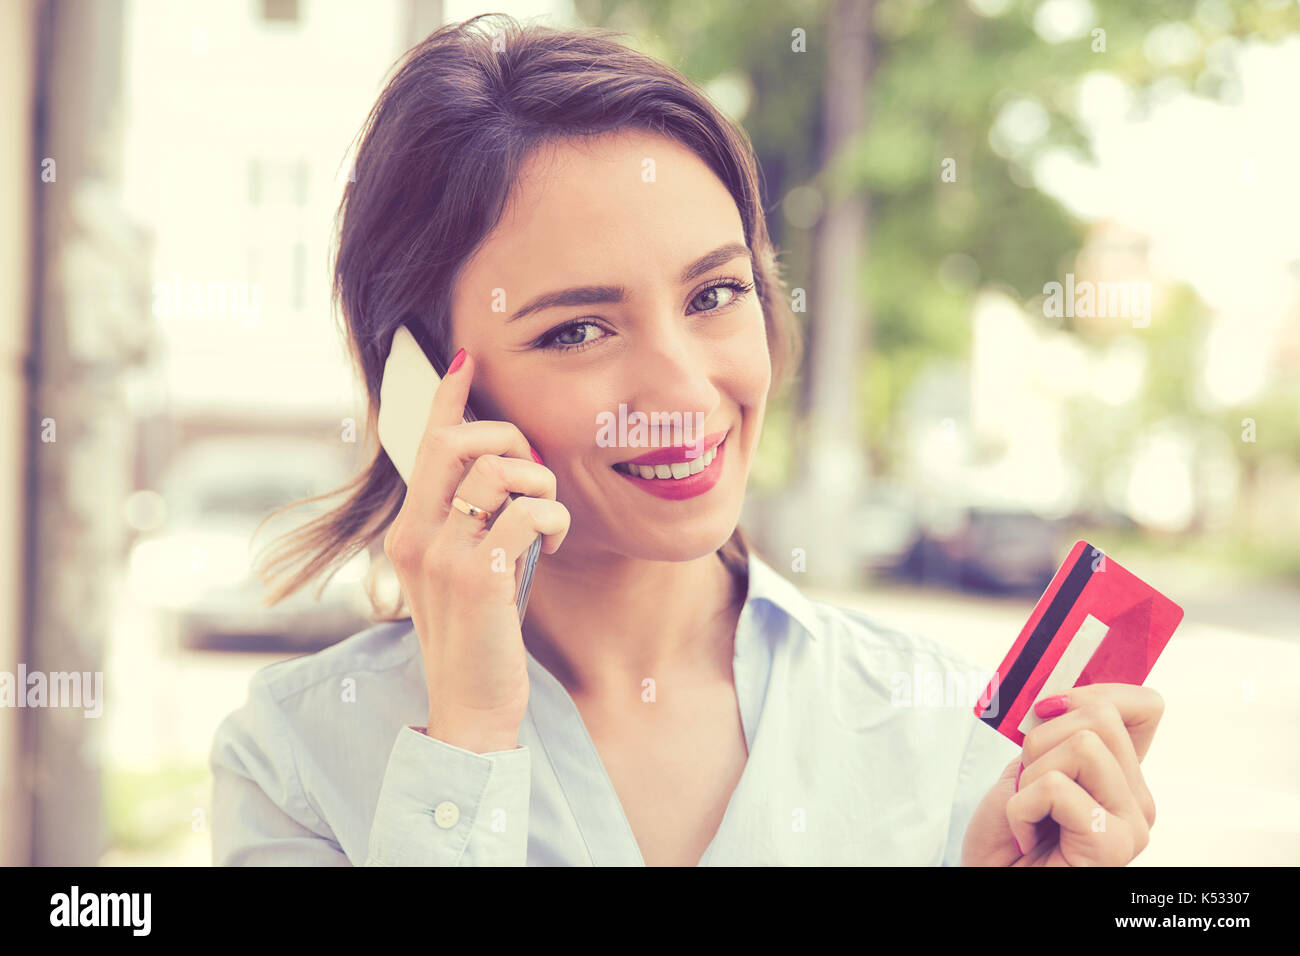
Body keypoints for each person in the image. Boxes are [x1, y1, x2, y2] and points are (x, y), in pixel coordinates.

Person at [210, 14, 1162, 866]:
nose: (683, 388)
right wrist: (466, 742)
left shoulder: (952, 736)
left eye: (714, 294)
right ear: (423, 396)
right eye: (577, 330)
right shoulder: (297, 761)